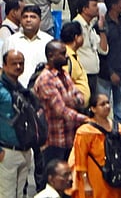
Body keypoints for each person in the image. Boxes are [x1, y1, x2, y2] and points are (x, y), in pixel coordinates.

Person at [34, 41, 88, 171]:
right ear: (51, 56)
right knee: (53, 180)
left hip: (69, 138)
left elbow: (80, 97)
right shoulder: (46, 79)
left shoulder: (64, 74)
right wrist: (86, 119)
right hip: (53, 141)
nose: (67, 56)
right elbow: (61, 110)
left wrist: (68, 100)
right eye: (63, 54)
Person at [71, 91, 121, 198]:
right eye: (102, 104)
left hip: (116, 178)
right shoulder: (85, 131)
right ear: (93, 109)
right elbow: (80, 161)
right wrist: (86, 183)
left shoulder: (118, 128)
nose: (107, 106)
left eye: (108, 103)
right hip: (95, 179)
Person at [0, 49, 35, 196]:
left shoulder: (21, 89)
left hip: (25, 149)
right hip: (6, 151)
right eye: (14, 63)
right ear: (4, 65)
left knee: (21, 194)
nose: (18, 66)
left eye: (21, 63)